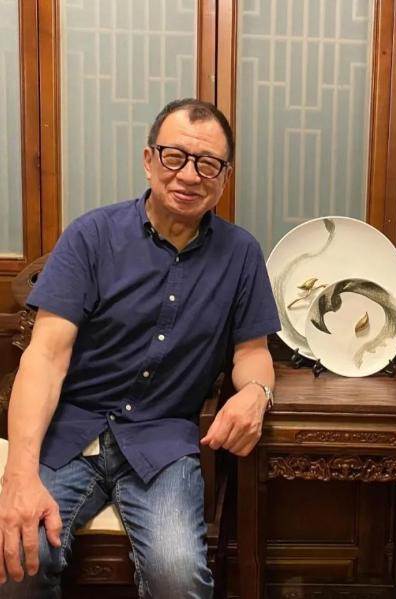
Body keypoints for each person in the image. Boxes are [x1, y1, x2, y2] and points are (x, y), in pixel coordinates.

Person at [0, 98, 280, 598]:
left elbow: (252, 351)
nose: (189, 175)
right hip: (72, 432)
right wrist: (19, 475)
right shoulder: (91, 236)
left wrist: (257, 393)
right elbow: (44, 357)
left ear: (224, 178)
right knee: (20, 555)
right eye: (175, 156)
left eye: (208, 164)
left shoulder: (241, 253)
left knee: (178, 575)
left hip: (163, 439)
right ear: (149, 160)